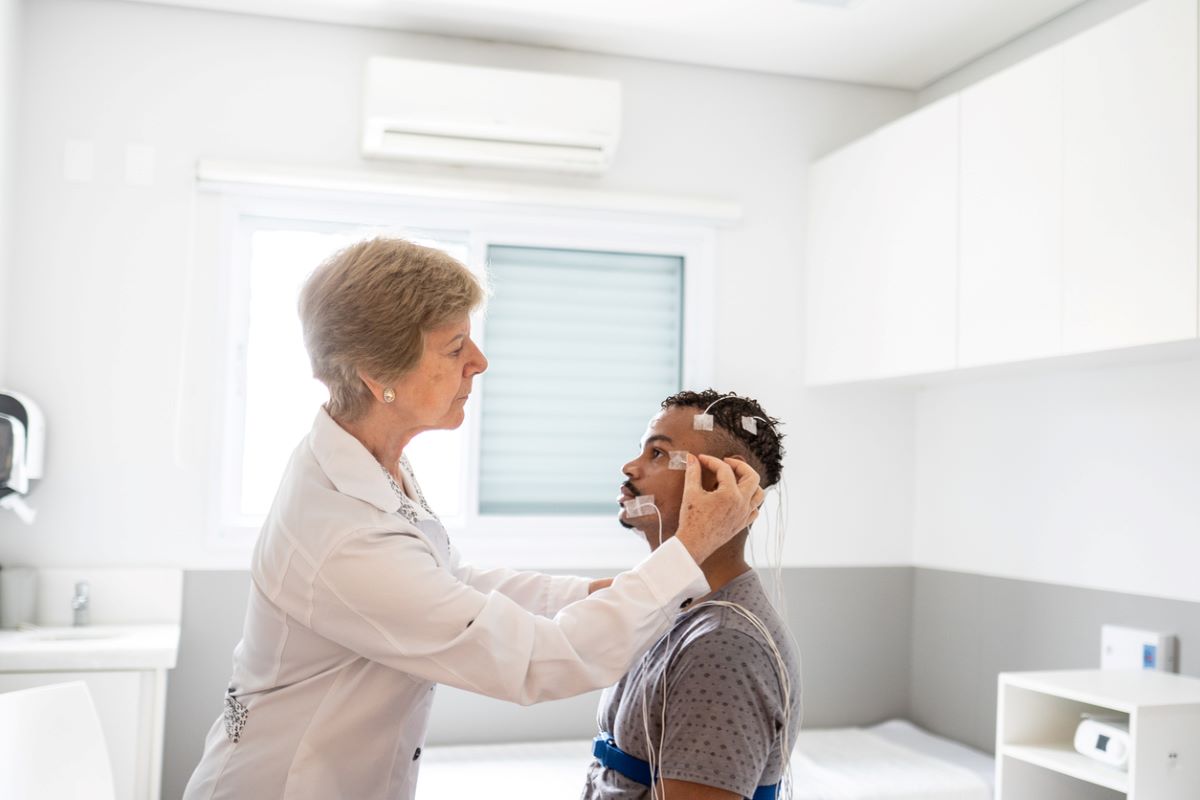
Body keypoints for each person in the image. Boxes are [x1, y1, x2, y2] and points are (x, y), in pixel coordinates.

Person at [183, 239, 763, 800]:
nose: (479, 362)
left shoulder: (371, 463)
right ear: (376, 374)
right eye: (455, 346)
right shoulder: (343, 533)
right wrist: (684, 555)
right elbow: (540, 661)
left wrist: (599, 590)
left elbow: (448, 581)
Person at [583, 389, 801, 800]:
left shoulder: (725, 644)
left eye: (658, 454)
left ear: (721, 484)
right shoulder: (667, 609)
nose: (630, 467)